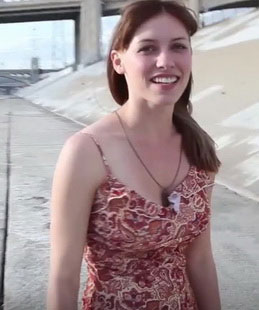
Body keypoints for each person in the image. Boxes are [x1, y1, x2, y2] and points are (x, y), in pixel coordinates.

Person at [47, 0, 221, 309]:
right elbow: (63, 278)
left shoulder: (199, 148)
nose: (165, 60)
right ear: (118, 61)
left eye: (178, 47)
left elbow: (201, 261)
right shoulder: (86, 152)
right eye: (148, 48)